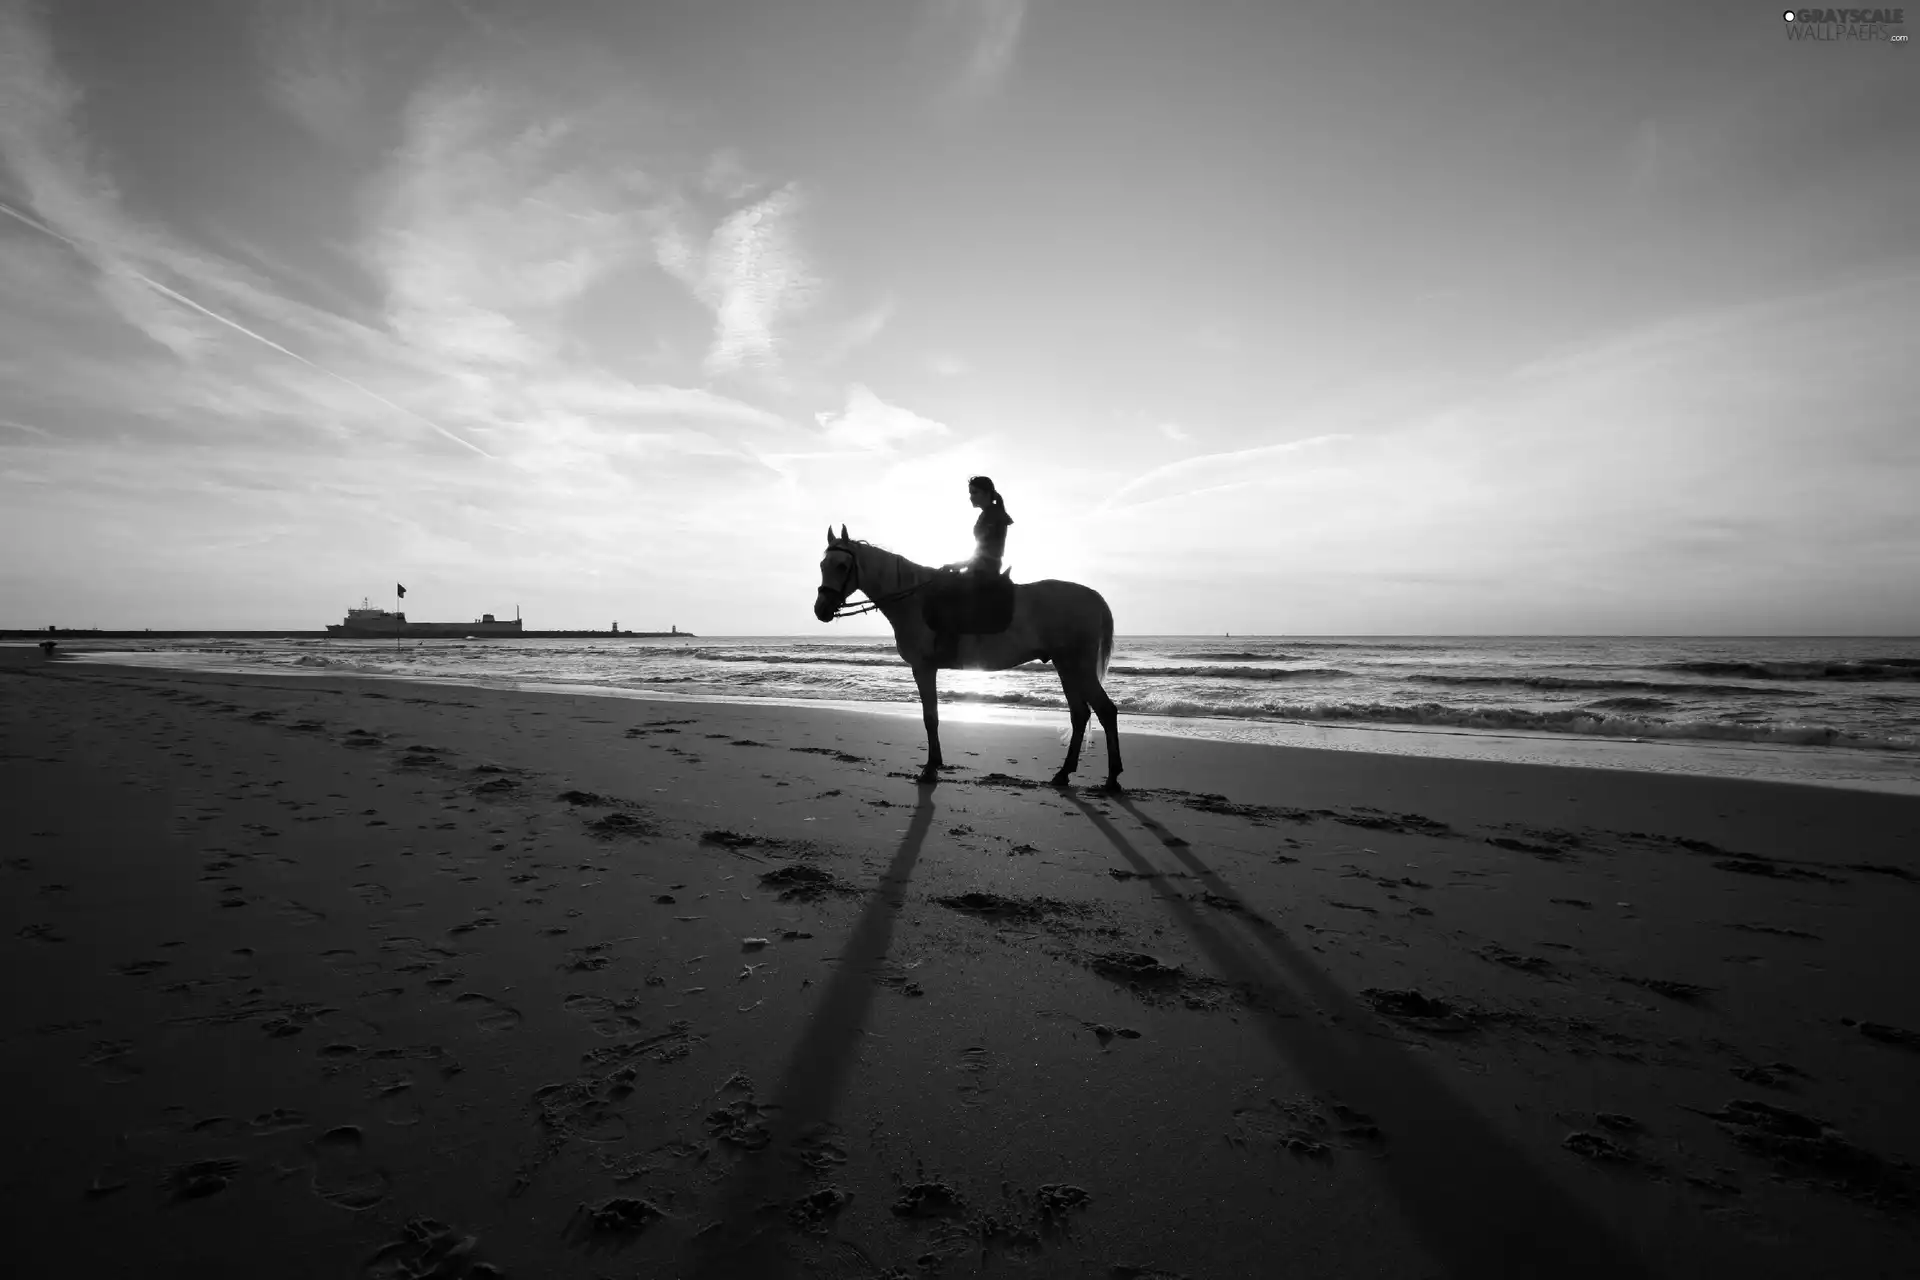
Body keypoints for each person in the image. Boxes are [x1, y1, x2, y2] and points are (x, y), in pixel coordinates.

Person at [930, 476, 1013, 665]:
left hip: (986, 568)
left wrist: (963, 565)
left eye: (974, 493)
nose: (971, 497)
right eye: (970, 493)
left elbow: (987, 550)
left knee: (947, 592)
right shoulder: (988, 513)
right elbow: (980, 549)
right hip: (981, 565)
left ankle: (951, 648)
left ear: (986, 493)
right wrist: (961, 564)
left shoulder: (993, 515)